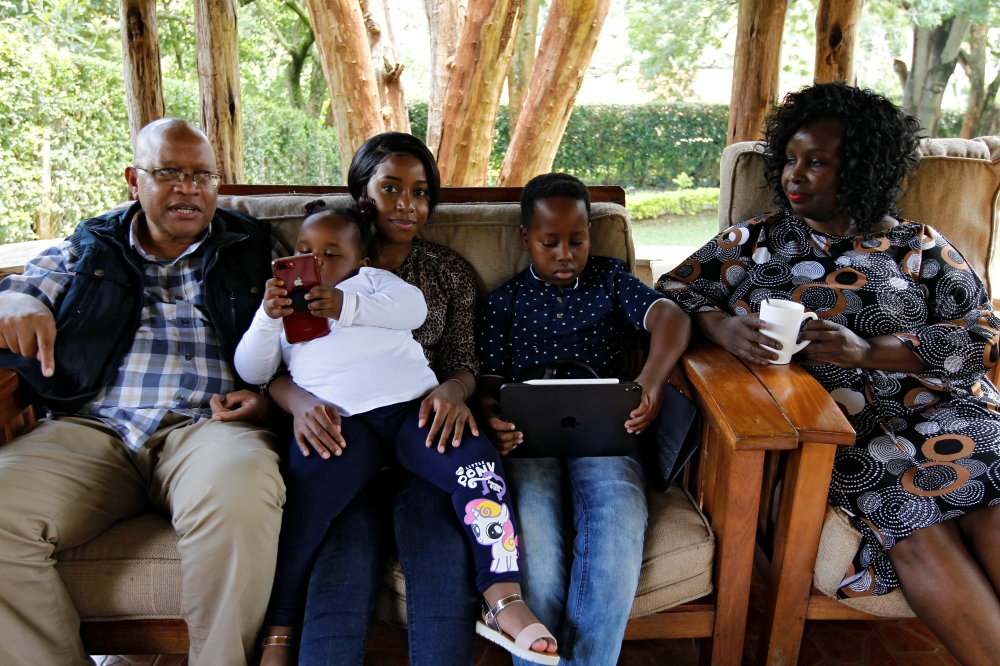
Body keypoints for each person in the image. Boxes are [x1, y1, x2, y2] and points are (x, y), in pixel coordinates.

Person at [656, 82, 1000, 664]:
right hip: (841, 432)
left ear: (863, 169)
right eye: (790, 159)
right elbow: (670, 294)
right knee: (910, 518)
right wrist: (721, 328)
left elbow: (984, 335)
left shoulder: (919, 247)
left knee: (993, 514)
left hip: (948, 411)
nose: (795, 174)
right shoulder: (759, 240)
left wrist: (869, 352)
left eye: (816, 162)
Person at [0, 118, 285, 666]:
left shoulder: (250, 245)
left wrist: (269, 399)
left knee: (240, 488)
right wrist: (18, 301)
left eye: (202, 176)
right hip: (94, 428)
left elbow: (296, 339)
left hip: (210, 427)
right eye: (170, 174)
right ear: (134, 180)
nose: (189, 189)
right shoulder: (93, 244)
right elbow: (22, 288)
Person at [236, 202, 558, 665]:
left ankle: (503, 596)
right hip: (341, 425)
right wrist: (268, 318)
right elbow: (253, 369)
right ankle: (280, 627)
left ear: (360, 261)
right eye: (304, 252)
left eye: (331, 253)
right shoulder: (285, 310)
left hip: (414, 410)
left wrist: (346, 305)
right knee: (303, 513)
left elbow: (414, 309)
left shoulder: (373, 285)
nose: (315, 263)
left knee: (479, 470)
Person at [266, 132, 505, 665]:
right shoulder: (308, 267)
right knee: (337, 579)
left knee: (442, 565)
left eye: (421, 193)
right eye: (391, 188)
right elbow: (271, 363)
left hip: (424, 450)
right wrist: (298, 402)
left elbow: (465, 362)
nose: (407, 205)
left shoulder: (447, 274)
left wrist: (454, 388)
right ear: (361, 194)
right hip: (340, 447)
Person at [478, 173, 692, 666]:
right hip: (529, 441)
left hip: (607, 435)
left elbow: (672, 317)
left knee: (616, 529)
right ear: (525, 238)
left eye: (578, 241)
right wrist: (493, 416)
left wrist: (652, 381)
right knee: (538, 553)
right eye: (549, 243)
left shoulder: (611, 280)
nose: (565, 255)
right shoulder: (503, 303)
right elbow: (488, 386)